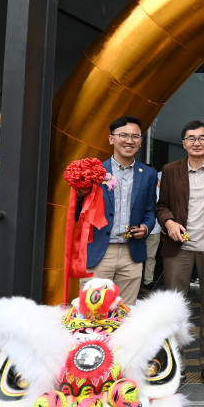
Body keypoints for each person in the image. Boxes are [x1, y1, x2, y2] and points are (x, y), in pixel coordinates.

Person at [156, 120, 204, 385]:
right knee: (174, 310)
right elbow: (162, 205)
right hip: (178, 248)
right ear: (184, 143)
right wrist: (168, 222)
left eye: (202, 138)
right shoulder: (170, 170)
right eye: (191, 138)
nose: (197, 142)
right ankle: (174, 363)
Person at [82, 115, 157, 306]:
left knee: (125, 311)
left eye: (135, 136)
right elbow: (77, 214)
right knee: (93, 310)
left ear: (141, 141)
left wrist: (146, 228)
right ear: (111, 139)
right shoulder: (95, 171)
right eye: (123, 135)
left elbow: (150, 211)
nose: (129, 141)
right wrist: (81, 195)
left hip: (131, 254)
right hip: (100, 251)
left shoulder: (148, 174)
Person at [142, 170, 162, 289]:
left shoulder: (161, 192)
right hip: (140, 228)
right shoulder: (140, 189)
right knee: (137, 255)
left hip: (155, 228)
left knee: (151, 256)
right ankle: (139, 278)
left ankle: (148, 280)